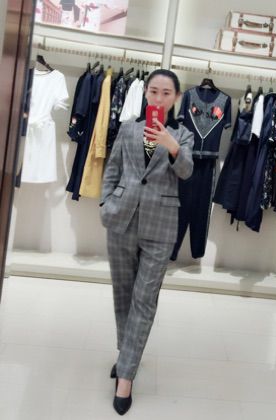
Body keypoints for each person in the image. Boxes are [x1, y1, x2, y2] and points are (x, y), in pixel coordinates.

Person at [99, 69, 194, 415]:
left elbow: (187, 171)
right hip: (121, 220)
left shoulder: (183, 135)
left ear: (176, 97)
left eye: (166, 93)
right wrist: (105, 203)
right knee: (123, 295)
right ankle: (127, 357)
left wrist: (171, 145)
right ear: (145, 94)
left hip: (160, 226)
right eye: (153, 91)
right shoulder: (127, 129)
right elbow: (113, 169)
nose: (158, 98)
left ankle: (125, 377)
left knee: (145, 300)